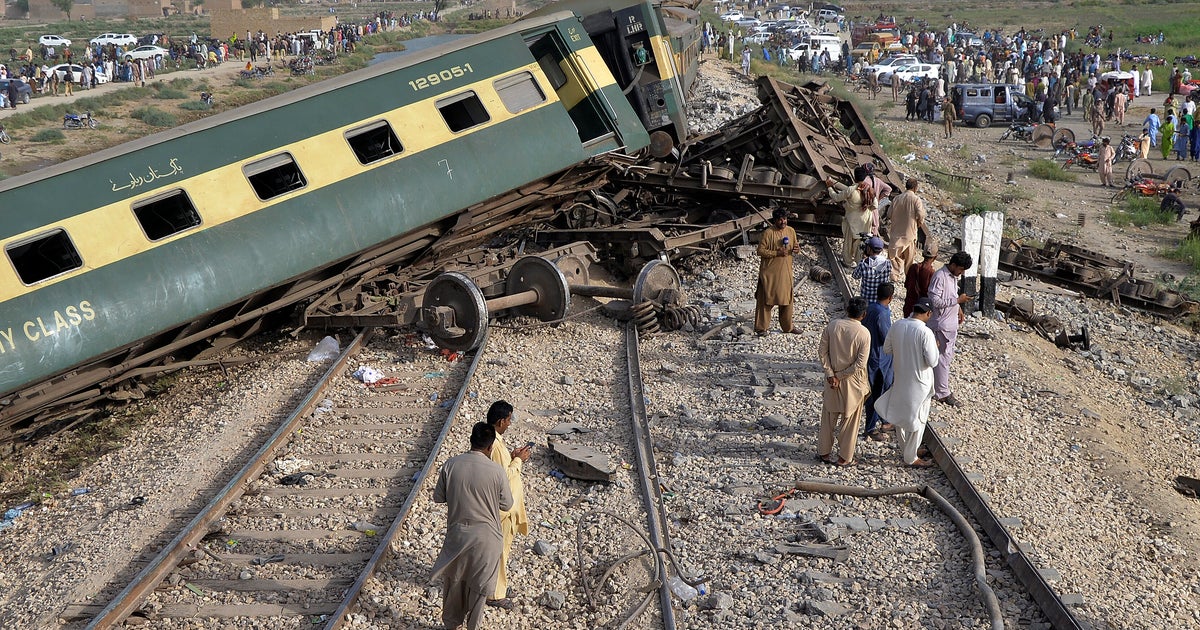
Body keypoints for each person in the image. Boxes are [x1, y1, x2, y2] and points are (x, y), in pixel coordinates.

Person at [430, 422, 514, 630]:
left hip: (458, 537)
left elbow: (438, 497)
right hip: (488, 541)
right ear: (490, 447)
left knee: (455, 584)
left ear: (471, 440)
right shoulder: (496, 471)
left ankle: (451, 625)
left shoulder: (450, 465)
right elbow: (507, 504)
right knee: (479, 590)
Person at [874, 297, 940, 467]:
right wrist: (936, 348)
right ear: (928, 313)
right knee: (919, 418)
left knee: (902, 416)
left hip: (901, 377)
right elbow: (933, 361)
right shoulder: (925, 332)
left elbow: (887, 349)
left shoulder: (897, 325)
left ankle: (908, 450)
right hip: (920, 382)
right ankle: (911, 457)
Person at [484, 401, 530, 608]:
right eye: (509, 419)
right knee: (500, 551)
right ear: (502, 421)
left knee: (502, 549)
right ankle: (494, 593)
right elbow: (502, 476)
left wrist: (512, 457)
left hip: (505, 507)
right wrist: (518, 460)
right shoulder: (495, 445)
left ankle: (498, 586)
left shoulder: (495, 443)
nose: (510, 424)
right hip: (503, 510)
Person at [817, 297, 871, 466]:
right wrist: (840, 376)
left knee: (828, 417)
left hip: (831, 380)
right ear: (863, 315)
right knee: (850, 421)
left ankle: (824, 453)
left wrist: (831, 374)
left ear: (847, 310)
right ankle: (844, 457)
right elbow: (860, 364)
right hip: (852, 382)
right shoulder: (863, 333)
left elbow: (822, 352)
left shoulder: (833, 326)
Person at [927, 251, 973, 407]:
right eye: (960, 269)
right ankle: (942, 392)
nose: (961, 273)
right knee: (942, 359)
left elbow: (951, 296)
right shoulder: (940, 276)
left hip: (950, 323)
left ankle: (937, 388)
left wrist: (958, 307)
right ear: (953, 265)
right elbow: (935, 301)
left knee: (944, 357)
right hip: (941, 324)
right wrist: (957, 300)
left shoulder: (953, 277)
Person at [754, 208, 801, 334]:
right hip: (770, 273)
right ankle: (761, 328)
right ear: (775, 220)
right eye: (780, 219)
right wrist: (776, 253)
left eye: (784, 219)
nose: (783, 222)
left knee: (787, 300)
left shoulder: (791, 231)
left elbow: (795, 246)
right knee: (766, 300)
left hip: (785, 273)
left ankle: (788, 327)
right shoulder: (768, 233)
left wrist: (796, 249)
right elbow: (760, 251)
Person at [862, 282, 894, 442]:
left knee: (882, 389)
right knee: (876, 392)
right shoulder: (882, 313)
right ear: (891, 297)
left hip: (873, 355)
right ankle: (870, 428)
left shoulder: (871, 308)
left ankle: (884, 420)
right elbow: (886, 337)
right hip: (879, 358)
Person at [827, 167, 875, 267]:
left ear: (854, 177)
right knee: (860, 244)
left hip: (852, 221)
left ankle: (848, 262)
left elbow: (836, 197)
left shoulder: (851, 190)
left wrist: (829, 187)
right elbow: (875, 206)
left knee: (848, 243)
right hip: (865, 221)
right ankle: (859, 263)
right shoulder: (870, 190)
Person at [887, 179, 926, 281]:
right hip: (910, 234)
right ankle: (908, 279)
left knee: (894, 256)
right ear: (915, 188)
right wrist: (918, 223)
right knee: (909, 259)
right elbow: (920, 215)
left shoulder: (896, 199)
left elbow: (889, 214)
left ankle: (894, 277)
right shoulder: (916, 199)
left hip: (896, 234)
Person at [852, 236, 890, 302]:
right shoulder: (887, 263)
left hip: (866, 300)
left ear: (869, 249)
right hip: (880, 300)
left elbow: (855, 276)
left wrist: (863, 259)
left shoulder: (863, 264)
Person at [903, 248, 937, 316]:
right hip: (922, 308)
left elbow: (906, 285)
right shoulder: (932, 272)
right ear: (935, 257)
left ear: (922, 255)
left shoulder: (913, 267)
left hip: (909, 305)